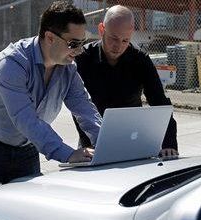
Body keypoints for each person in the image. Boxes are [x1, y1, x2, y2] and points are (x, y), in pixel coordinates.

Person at [0, 1, 102, 196]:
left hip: (27, 144)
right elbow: (25, 119)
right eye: (73, 44)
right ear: (50, 37)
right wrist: (68, 154)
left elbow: (85, 108)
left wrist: (107, 144)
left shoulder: (68, 68)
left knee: (26, 211)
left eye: (82, 43)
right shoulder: (11, 64)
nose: (79, 51)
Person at [74, 5, 178, 158]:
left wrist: (168, 144)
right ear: (102, 30)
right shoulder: (83, 59)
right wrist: (88, 143)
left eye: (125, 40)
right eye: (114, 38)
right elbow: (76, 104)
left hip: (132, 138)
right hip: (91, 141)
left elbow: (159, 101)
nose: (118, 46)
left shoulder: (140, 60)